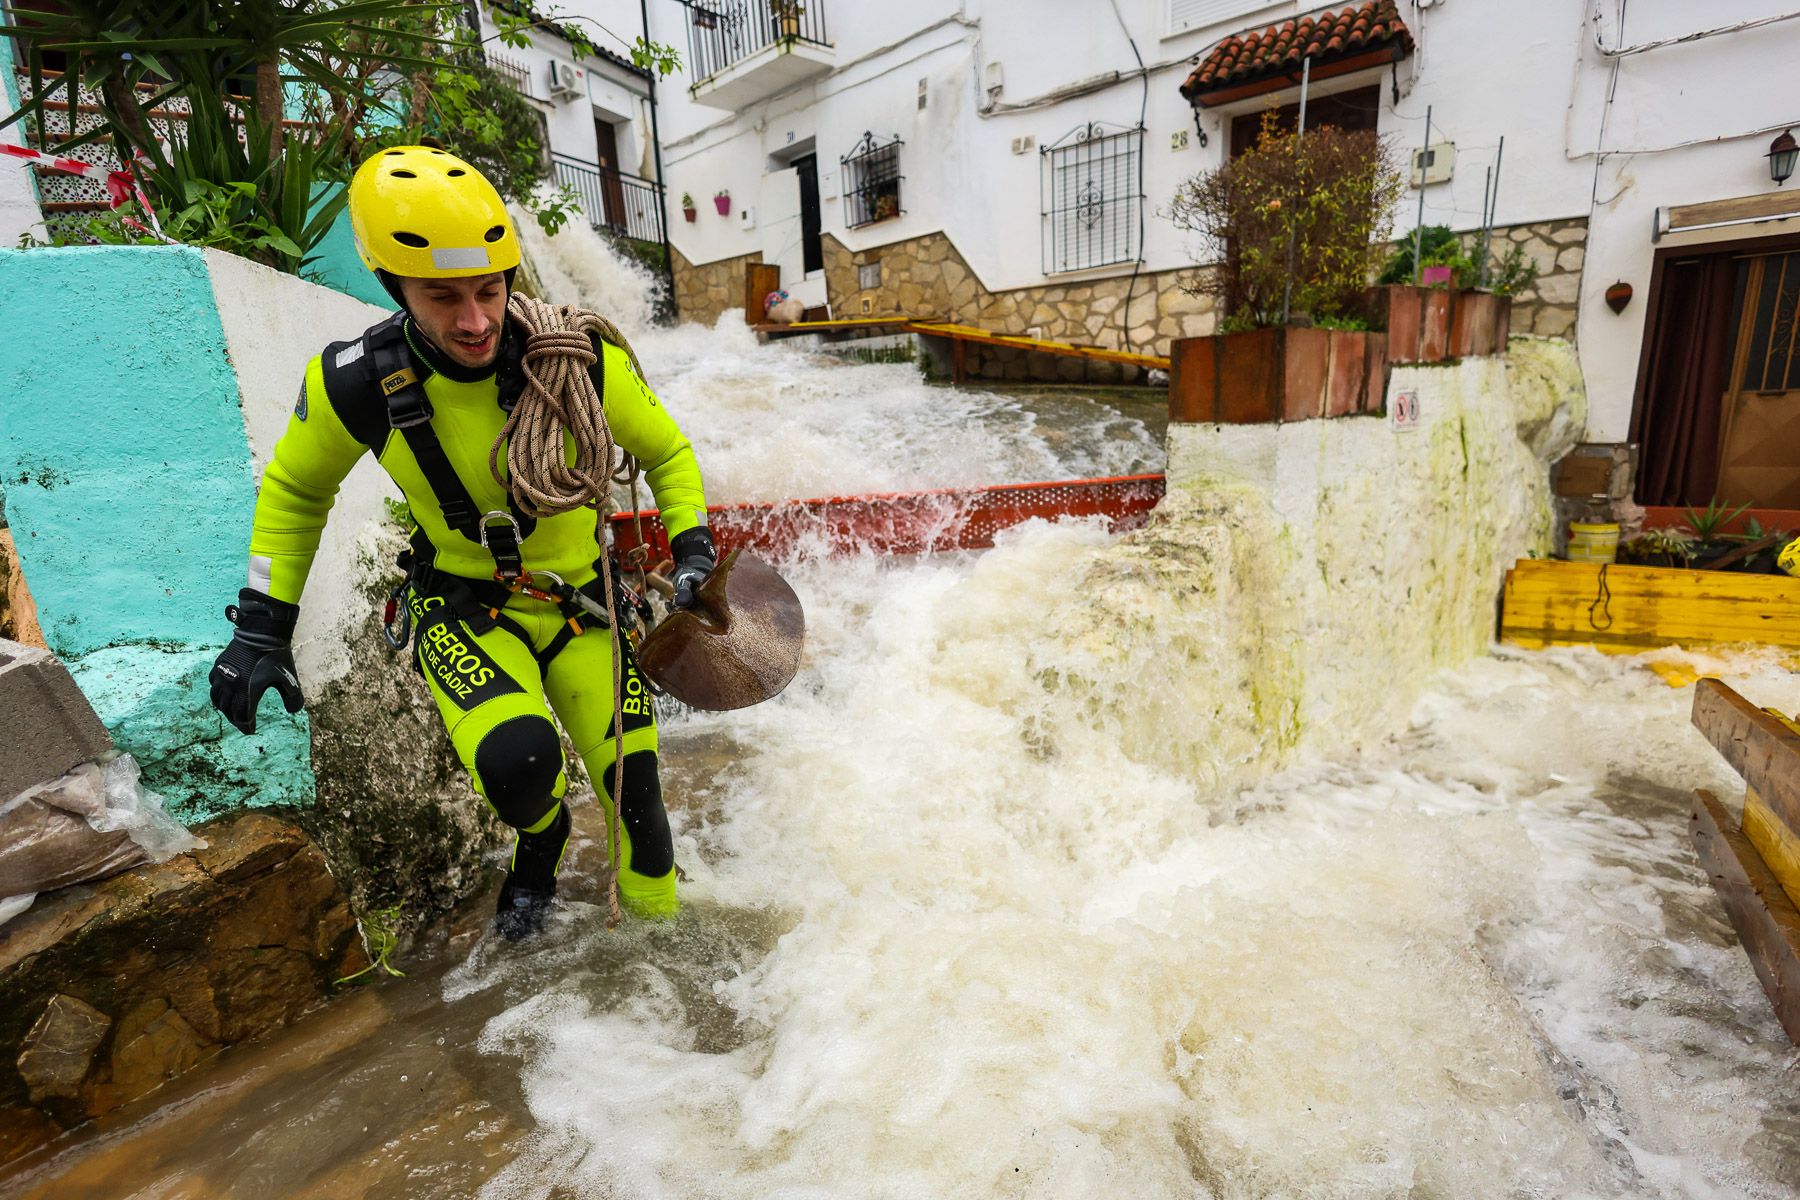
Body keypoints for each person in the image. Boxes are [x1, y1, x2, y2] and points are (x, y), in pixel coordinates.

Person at [207, 146, 716, 939]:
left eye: (489, 289)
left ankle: (659, 966)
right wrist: (261, 627)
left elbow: (667, 454)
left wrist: (692, 552)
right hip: (465, 605)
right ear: (392, 287)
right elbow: (296, 491)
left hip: (585, 602)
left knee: (641, 807)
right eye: (443, 298)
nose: (476, 321)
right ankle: (541, 843)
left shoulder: (580, 362)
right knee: (518, 765)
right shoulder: (353, 384)